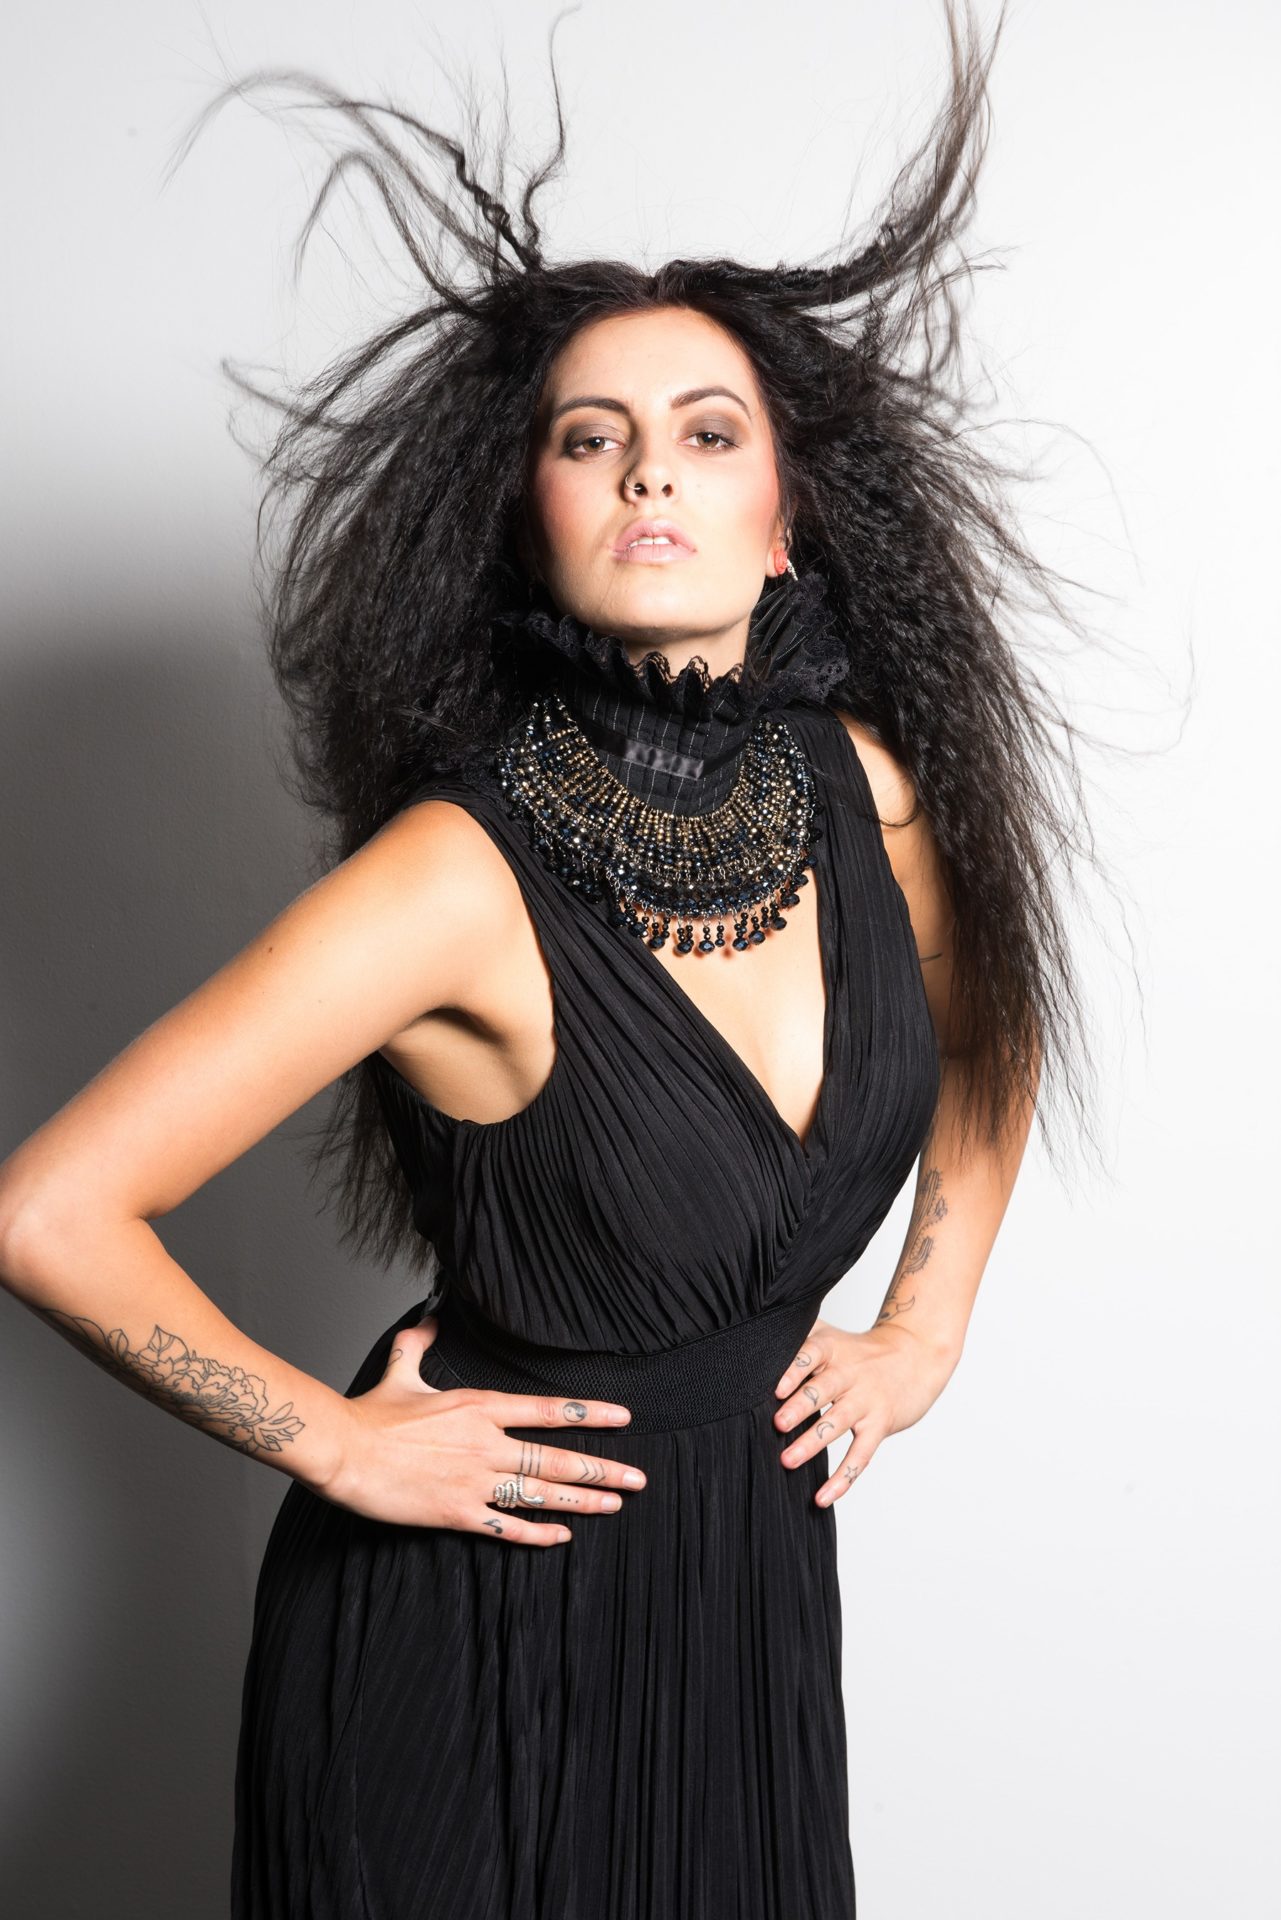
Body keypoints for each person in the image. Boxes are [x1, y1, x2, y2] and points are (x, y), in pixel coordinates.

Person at [0, 3, 1106, 1913]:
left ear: (785, 520)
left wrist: (922, 1327)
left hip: (742, 1614)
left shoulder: (868, 795)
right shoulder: (454, 874)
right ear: (529, 525)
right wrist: (336, 1445)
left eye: (705, 436)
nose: (649, 476)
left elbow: (985, 1035)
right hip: (469, 1646)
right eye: (592, 442)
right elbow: (50, 1213)